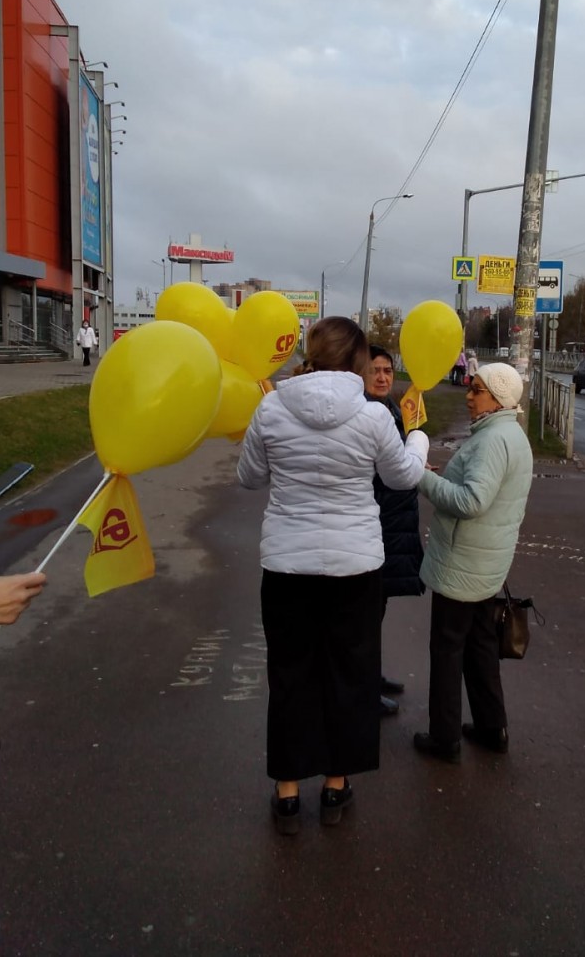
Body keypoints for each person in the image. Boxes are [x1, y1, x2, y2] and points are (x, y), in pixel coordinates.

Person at [237, 317, 429, 834]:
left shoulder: (271, 408)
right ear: (358, 360)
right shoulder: (372, 415)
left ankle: (287, 794)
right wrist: (418, 440)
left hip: (286, 566)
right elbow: (402, 477)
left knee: (290, 674)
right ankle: (336, 785)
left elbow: (249, 477)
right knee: (350, 673)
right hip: (354, 567)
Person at [412, 362, 533, 761]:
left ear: (498, 398)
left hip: (462, 565)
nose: (468, 396)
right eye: (470, 387)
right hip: (486, 563)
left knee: (448, 650)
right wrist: (442, 478)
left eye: (476, 390)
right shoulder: (511, 434)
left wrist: (422, 478)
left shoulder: (491, 440)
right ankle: (491, 727)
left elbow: (471, 501)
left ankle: (444, 738)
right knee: (481, 646)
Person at [364, 345, 425, 718]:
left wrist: (413, 463)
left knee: (378, 607)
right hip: (376, 524)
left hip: (390, 525)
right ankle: (363, 687)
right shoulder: (365, 415)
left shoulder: (391, 410)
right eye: (375, 370)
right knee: (366, 614)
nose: (383, 377)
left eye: (387, 370)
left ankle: (372, 675)